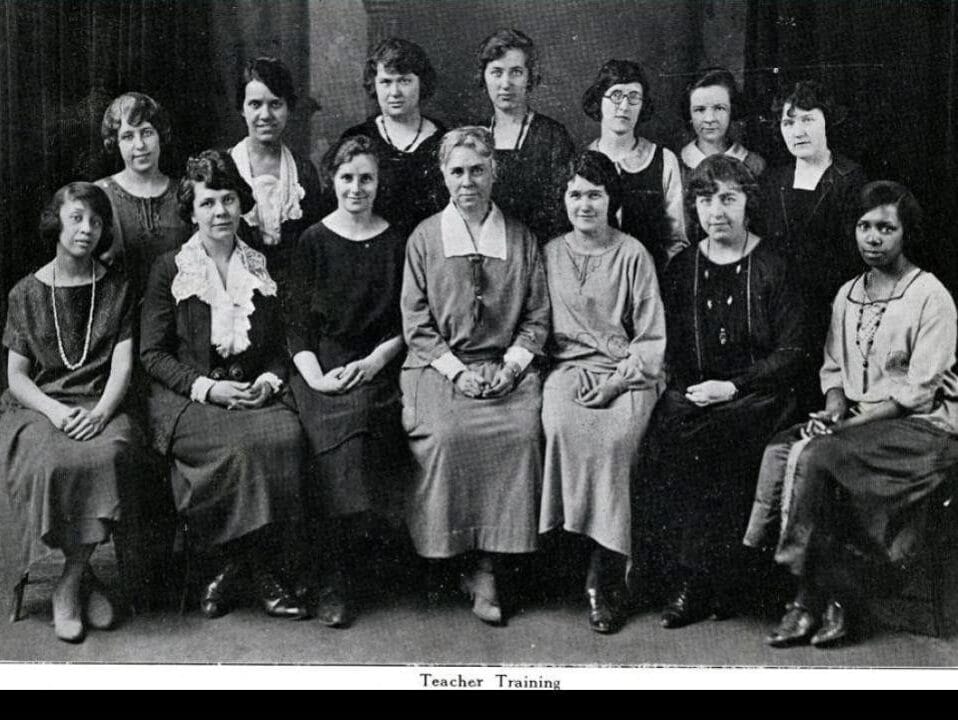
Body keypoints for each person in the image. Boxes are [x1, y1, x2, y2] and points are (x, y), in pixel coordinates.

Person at [745, 181, 958, 648]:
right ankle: (814, 594)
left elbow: (918, 392)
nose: (874, 238)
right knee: (782, 448)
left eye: (886, 228)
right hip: (860, 420)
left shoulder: (930, 296)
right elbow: (834, 366)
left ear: (906, 233)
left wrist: (847, 426)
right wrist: (836, 405)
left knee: (822, 457)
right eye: (865, 227)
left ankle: (812, 598)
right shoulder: (847, 294)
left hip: (920, 429)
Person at [140, 149, 308, 621]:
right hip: (188, 398)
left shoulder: (260, 266)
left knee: (286, 436)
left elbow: (278, 346)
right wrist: (207, 390)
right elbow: (152, 354)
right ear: (192, 211)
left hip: (254, 391)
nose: (220, 212)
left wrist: (271, 379)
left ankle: (235, 568)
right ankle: (258, 569)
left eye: (229, 200)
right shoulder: (171, 269)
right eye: (209, 203)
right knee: (238, 450)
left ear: (242, 205)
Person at [642, 155, 805, 629]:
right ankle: (691, 580)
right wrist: (687, 389)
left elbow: (792, 351)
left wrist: (732, 386)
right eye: (706, 199)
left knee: (725, 440)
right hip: (696, 393)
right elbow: (666, 341)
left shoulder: (774, 267)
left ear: (748, 204)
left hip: (759, 396)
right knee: (669, 430)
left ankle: (730, 579)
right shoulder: (683, 268)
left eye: (729, 198)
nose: (717, 211)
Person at [400, 126, 550, 626]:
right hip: (439, 366)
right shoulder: (424, 238)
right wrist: (457, 373)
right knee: (445, 434)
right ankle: (460, 560)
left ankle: (494, 562)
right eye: (457, 171)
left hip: (506, 366)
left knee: (523, 433)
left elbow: (536, 319)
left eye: (478, 170)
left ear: (494, 172)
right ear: (443, 175)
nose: (468, 181)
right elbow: (417, 323)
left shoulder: (522, 238)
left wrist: (512, 367)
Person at [0, 182, 145, 643]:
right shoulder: (26, 292)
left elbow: (122, 365)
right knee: (54, 460)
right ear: (57, 223)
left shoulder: (118, 288)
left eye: (96, 221)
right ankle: (85, 579)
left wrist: (101, 413)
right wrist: (56, 413)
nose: (86, 229)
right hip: (41, 408)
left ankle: (70, 581)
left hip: (102, 402)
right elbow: (17, 377)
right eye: (77, 217)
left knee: (108, 454)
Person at [539, 150, 665, 634]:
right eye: (575, 194)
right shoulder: (550, 252)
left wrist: (617, 381)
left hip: (628, 369)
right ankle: (568, 557)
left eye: (595, 193)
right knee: (562, 426)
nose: (584, 203)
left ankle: (607, 571)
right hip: (569, 369)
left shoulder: (632, 253)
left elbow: (651, 338)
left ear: (612, 199)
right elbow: (536, 326)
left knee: (615, 441)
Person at [287, 136, 407, 628]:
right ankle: (331, 570)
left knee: (361, 426)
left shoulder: (396, 241)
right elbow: (294, 324)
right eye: (347, 178)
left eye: (366, 179)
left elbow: (407, 321)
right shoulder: (313, 240)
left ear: (378, 184)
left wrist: (377, 361)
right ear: (332, 181)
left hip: (378, 365)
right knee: (322, 433)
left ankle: (347, 573)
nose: (356, 188)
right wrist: (316, 378)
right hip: (321, 366)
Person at [761, 81, 867, 412]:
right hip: (780, 313)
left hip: (832, 310)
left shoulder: (849, 178)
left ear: (827, 121)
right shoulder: (774, 180)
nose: (797, 131)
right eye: (788, 122)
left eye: (808, 119)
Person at [582, 59, 687, 273]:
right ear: (598, 101)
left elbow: (677, 241)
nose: (624, 106)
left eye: (633, 97)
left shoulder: (664, 160)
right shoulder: (581, 163)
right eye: (616, 95)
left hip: (652, 288)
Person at [231, 57, 323, 287]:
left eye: (275, 104)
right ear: (242, 108)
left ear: (288, 108)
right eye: (255, 104)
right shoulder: (223, 167)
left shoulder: (303, 173)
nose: (265, 115)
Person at [477, 28, 575, 244]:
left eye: (516, 72)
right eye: (496, 72)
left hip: (538, 251)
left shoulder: (552, 135)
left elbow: (562, 213)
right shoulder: (473, 135)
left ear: (530, 77)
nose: (506, 83)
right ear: (484, 77)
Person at [340, 37, 447, 234]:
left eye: (404, 81)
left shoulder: (445, 141)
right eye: (386, 82)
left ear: (421, 83)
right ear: (374, 85)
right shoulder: (357, 138)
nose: (395, 92)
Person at [95, 92, 191, 299]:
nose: (139, 145)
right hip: (117, 321)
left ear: (160, 136)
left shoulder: (185, 192)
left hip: (177, 317)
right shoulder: (99, 195)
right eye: (128, 136)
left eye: (147, 132)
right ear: (115, 142)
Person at [678, 67, 765, 181]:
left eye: (719, 108)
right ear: (689, 114)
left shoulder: (754, 165)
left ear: (733, 110)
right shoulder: (677, 163)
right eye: (700, 109)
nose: (709, 119)